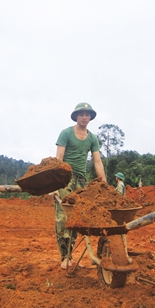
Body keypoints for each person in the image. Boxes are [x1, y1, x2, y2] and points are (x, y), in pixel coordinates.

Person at [55, 102, 107, 269]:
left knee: (77, 218)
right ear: (76, 116)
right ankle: (65, 257)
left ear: (90, 117)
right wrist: (56, 183)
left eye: (87, 114)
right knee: (64, 217)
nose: (85, 117)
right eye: (81, 114)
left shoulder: (92, 138)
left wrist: (104, 184)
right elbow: (59, 159)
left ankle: (70, 256)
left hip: (81, 182)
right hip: (65, 179)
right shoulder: (66, 133)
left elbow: (97, 162)